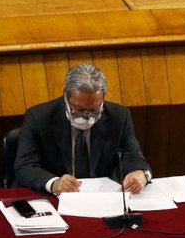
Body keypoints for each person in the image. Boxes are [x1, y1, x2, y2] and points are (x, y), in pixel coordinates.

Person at [14, 64, 151, 194]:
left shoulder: (119, 117)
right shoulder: (39, 117)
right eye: (79, 109)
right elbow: (25, 166)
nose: (86, 116)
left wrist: (141, 174)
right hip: (52, 198)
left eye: (94, 110)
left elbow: (134, 158)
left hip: (101, 197)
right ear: (66, 96)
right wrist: (54, 183)